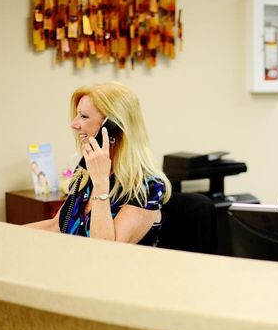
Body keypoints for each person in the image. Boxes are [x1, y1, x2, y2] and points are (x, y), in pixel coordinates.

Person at [26, 81, 171, 246]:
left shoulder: (147, 186)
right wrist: (4, 235)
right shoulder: (87, 169)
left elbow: (105, 249)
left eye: (83, 116)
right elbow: (56, 226)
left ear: (113, 126)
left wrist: (100, 182)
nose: (74, 124)